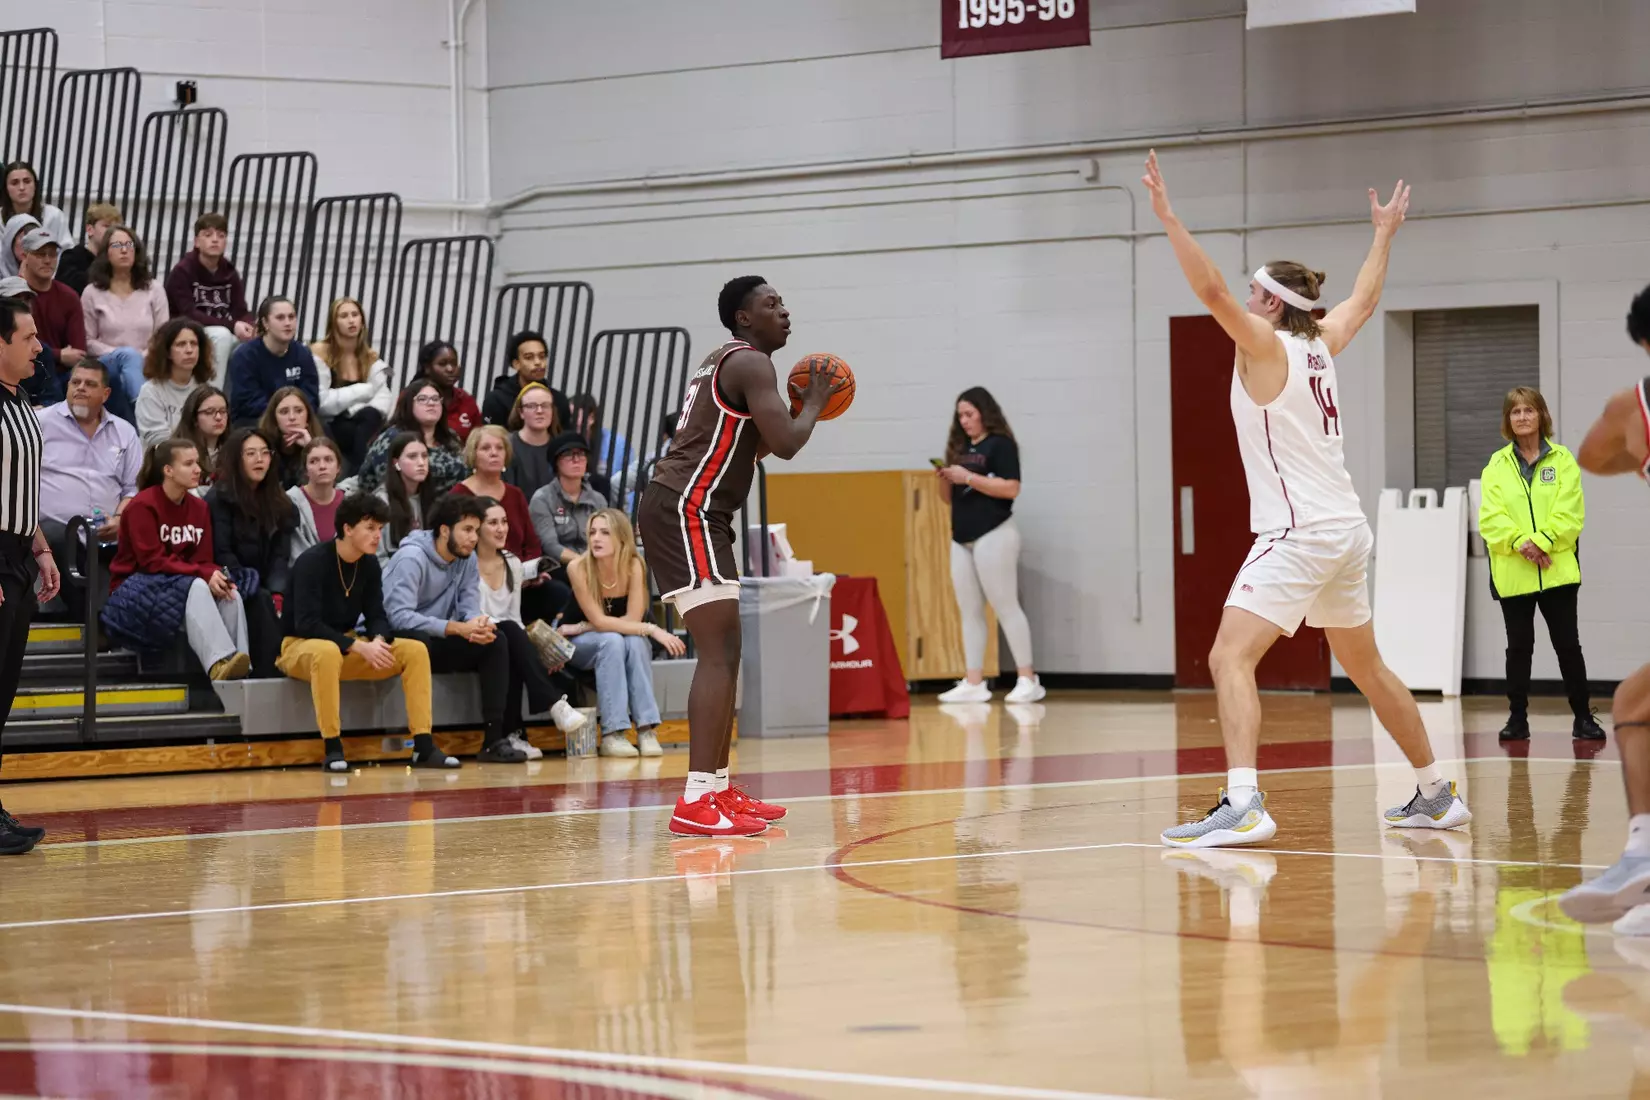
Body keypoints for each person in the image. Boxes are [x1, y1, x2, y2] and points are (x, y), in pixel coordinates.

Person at [1142, 150, 1469, 847]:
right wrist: (1383, 235)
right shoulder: (1321, 341)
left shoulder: (1264, 346)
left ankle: (1243, 803)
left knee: (1229, 658)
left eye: (1251, 292)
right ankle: (1436, 794)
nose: (1242, 297)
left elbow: (1208, 292)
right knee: (1369, 667)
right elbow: (1366, 298)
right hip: (1345, 530)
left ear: (1268, 304)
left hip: (1302, 532)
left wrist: (1168, 218)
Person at [637, 275, 839, 836]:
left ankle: (719, 789)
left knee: (729, 652)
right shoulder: (750, 363)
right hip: (688, 508)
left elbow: (770, 439)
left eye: (784, 302)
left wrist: (797, 407)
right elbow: (792, 444)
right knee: (719, 652)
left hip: (703, 513)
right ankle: (695, 800)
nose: (785, 311)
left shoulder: (733, 363)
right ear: (744, 318)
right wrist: (816, 401)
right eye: (771, 304)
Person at [1555, 287, 1650, 927]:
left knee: (1632, 705)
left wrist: (1639, 460)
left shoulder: (1632, 406)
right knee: (1636, 702)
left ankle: (1644, 859)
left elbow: (1592, 456)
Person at [279, 492, 442, 772]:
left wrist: (377, 641)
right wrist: (357, 646)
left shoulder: (368, 564)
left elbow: (378, 614)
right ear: (347, 529)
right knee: (328, 651)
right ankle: (332, 747)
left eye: (380, 529)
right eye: (370, 528)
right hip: (300, 647)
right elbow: (306, 623)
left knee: (414, 650)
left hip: (347, 645)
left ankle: (423, 746)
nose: (378, 535)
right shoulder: (312, 562)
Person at [1478, 386, 1604, 743]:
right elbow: (1490, 518)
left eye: (1528, 410)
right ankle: (1517, 719)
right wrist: (1522, 544)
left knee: (1568, 645)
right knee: (1519, 648)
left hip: (1557, 573)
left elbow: (1570, 514)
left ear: (1540, 415)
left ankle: (1583, 718)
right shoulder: (1496, 466)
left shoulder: (1563, 460)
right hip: (1513, 575)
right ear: (1508, 420)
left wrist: (1543, 542)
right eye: (1515, 412)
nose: (1522, 417)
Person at [382, 493, 524, 765]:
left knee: (496, 640)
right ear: (445, 530)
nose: (474, 537)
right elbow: (398, 617)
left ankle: (494, 739)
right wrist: (456, 628)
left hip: (441, 636)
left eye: (475, 529)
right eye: (467, 530)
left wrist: (476, 624)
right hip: (400, 641)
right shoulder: (411, 558)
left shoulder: (466, 558)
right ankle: (423, 743)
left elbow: (469, 605)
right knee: (419, 640)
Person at [101, 438, 250, 682]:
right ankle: (218, 663)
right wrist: (202, 575)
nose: (198, 469)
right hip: (135, 587)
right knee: (199, 583)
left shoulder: (200, 507)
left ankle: (240, 663)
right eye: (189, 463)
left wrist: (215, 575)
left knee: (229, 590)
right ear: (168, 471)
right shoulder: (142, 505)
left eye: (198, 463)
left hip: (181, 582)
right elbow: (151, 561)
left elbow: (203, 559)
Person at [934, 387, 1043, 706]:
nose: (964, 420)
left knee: (1005, 604)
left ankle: (1028, 678)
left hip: (994, 533)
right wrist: (945, 477)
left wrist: (968, 478)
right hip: (961, 537)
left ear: (984, 412)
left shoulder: (1001, 445)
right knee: (969, 610)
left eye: (969, 414)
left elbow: (1011, 488)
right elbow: (946, 499)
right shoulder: (959, 447)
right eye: (960, 415)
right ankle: (973, 681)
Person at [0, 297, 61, 853]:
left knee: (4, 687)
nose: (39, 347)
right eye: (29, 338)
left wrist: (40, 543)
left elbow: (18, 484)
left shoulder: (22, 400)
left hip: (19, 547)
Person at [474, 497, 588, 761]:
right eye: (493, 523)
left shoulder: (513, 562)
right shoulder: (466, 563)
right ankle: (554, 704)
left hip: (503, 638)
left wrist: (536, 650)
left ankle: (515, 735)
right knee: (506, 636)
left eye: (504, 521)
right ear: (477, 527)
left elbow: (513, 616)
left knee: (510, 639)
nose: (502, 528)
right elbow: (470, 612)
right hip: (474, 634)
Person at [564, 508, 683, 758]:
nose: (596, 538)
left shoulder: (634, 564)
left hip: (609, 635)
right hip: (577, 643)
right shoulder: (578, 567)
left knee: (634, 642)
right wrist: (653, 629)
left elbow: (632, 619)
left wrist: (596, 625)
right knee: (613, 640)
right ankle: (612, 734)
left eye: (605, 533)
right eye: (593, 532)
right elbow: (598, 619)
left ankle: (646, 729)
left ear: (621, 538)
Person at [36, 360, 141, 618]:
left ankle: (104, 620)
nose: (81, 388)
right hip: (55, 533)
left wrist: (119, 520)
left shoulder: (125, 432)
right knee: (60, 536)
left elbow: (133, 489)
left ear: (106, 394)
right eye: (75, 382)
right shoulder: (40, 424)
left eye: (90, 384)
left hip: (107, 536)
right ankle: (95, 619)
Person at [206, 427, 296, 677]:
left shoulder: (280, 501)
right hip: (231, 579)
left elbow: (281, 554)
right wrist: (249, 582)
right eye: (251, 453)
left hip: (267, 582)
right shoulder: (219, 499)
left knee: (283, 599)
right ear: (237, 459)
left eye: (265, 453)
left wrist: (278, 590)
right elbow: (220, 551)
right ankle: (269, 673)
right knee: (259, 601)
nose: (260, 459)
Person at [80, 224, 168, 406]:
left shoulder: (154, 289)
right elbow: (88, 341)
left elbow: (163, 335)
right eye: (117, 245)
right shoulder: (92, 292)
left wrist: (140, 358)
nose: (124, 250)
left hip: (148, 362)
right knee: (127, 359)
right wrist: (125, 356)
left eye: (129, 245)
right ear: (106, 253)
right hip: (108, 364)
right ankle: (143, 409)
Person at [164, 212, 255, 382]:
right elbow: (189, 314)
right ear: (197, 242)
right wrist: (233, 325)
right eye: (208, 235)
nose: (215, 240)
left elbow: (240, 310)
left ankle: (234, 404)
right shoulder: (182, 271)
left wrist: (248, 326)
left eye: (221, 236)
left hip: (222, 331)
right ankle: (210, 397)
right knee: (222, 336)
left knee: (248, 345)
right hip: (187, 332)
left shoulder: (229, 272)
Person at [311, 297, 391, 471]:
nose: (351, 320)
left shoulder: (370, 356)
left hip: (362, 423)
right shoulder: (320, 353)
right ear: (334, 322)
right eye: (344, 316)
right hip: (331, 423)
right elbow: (322, 402)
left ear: (362, 321)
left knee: (371, 416)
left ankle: (360, 471)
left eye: (355, 314)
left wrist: (355, 409)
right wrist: (365, 391)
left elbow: (383, 397)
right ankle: (360, 471)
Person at [354, 377, 468, 496]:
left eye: (435, 399)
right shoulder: (392, 437)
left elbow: (464, 475)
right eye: (422, 399)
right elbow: (388, 482)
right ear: (409, 405)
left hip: (450, 506)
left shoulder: (450, 436)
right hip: (396, 504)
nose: (431, 403)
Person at [227, 296, 318, 427]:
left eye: (291, 317)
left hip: (296, 418)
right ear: (265, 323)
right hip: (256, 420)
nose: (288, 323)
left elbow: (311, 395)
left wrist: (296, 414)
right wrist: (283, 414)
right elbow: (247, 401)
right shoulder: (245, 355)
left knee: (323, 431)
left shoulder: (303, 353)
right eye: (280, 318)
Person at [530, 431, 606, 567]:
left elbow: (608, 538)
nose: (576, 460)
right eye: (568, 455)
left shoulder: (598, 500)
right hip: (558, 566)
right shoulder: (542, 499)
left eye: (581, 454)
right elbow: (550, 545)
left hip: (595, 563)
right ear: (556, 463)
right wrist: (583, 563)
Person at [135, 318, 214, 447]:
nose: (189, 350)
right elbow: (158, 441)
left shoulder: (204, 388)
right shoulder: (151, 391)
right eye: (181, 344)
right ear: (167, 352)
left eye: (193, 343)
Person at [482, 330, 571, 432]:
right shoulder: (497, 400)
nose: (538, 362)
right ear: (516, 364)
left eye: (542, 357)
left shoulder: (558, 399)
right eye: (529, 358)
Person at [373, 432, 438, 561]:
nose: (421, 463)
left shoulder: (433, 499)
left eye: (424, 456)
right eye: (412, 457)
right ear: (396, 463)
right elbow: (377, 557)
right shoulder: (381, 502)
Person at [0, 276, 61, 409]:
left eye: (27, 299)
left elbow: (53, 397)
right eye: (15, 300)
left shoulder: (42, 351)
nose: (24, 305)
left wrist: (37, 410)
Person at [287, 437, 344, 561]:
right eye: (314, 461)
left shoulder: (350, 502)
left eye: (328, 460)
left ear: (338, 467)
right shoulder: (290, 502)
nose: (322, 466)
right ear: (306, 470)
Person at [258, 384, 325, 489]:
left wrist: (310, 449)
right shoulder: (262, 447)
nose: (292, 417)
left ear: (307, 418)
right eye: (284, 412)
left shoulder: (322, 444)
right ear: (274, 419)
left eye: (298, 411)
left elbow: (325, 487)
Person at [503, 381, 560, 499]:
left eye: (545, 405)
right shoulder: (505, 445)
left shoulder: (561, 447)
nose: (539, 411)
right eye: (532, 406)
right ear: (521, 412)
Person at [418, 339, 482, 443]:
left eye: (454, 363)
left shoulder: (467, 401)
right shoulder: (412, 397)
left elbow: (477, 440)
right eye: (442, 364)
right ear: (427, 368)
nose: (450, 369)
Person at [172, 385, 229, 492]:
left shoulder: (235, 449)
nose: (218, 417)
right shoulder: (177, 452)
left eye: (222, 411)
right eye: (209, 412)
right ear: (194, 418)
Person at [1, 163, 72, 249]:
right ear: (6, 188)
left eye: (27, 181)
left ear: (35, 185)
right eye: (14, 183)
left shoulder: (54, 215)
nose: (22, 187)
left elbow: (66, 251)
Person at [569, 392, 625, 500]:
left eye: (574, 416)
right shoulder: (564, 441)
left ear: (591, 418)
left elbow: (623, 484)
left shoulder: (616, 444)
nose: (569, 421)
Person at [58, 203, 119, 295]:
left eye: (116, 228)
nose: (112, 231)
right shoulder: (71, 258)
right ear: (90, 229)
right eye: (106, 226)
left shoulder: (116, 261)